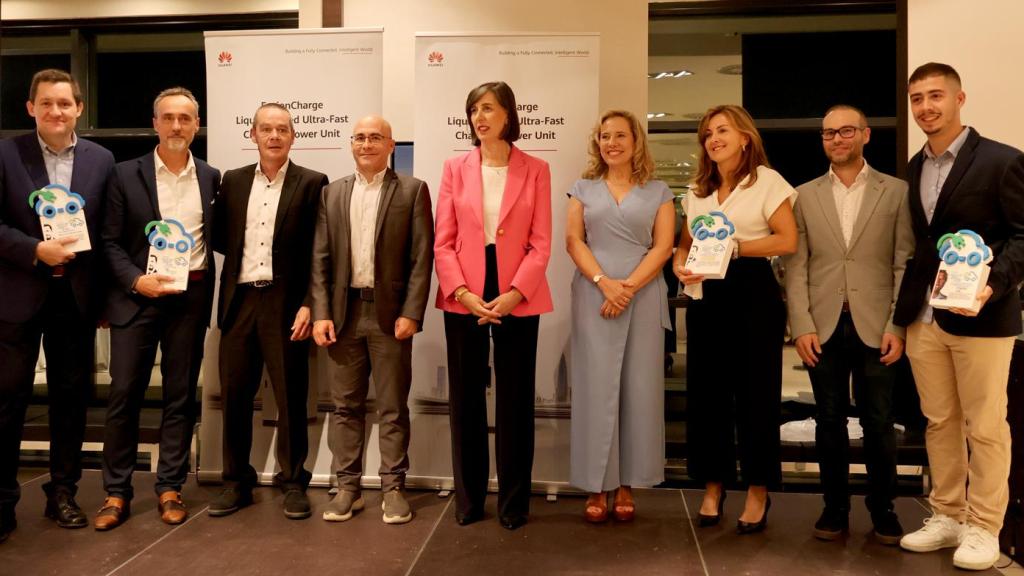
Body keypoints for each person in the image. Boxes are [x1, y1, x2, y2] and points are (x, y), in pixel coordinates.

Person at [894, 62, 1024, 571]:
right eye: (916, 99)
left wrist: (991, 286)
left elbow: (1022, 236)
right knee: (939, 421)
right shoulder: (915, 166)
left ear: (959, 98)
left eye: (935, 96)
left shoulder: (1003, 160)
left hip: (983, 317)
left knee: (986, 425)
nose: (925, 107)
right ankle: (947, 513)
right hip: (925, 316)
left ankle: (984, 525)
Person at [783, 104, 914, 544]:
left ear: (865, 134)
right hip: (821, 325)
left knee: (879, 421)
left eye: (845, 131)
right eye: (828, 133)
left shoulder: (895, 192)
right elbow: (796, 265)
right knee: (828, 421)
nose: (836, 139)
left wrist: (898, 326)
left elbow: (903, 263)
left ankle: (884, 510)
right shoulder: (803, 194)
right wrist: (800, 324)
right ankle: (834, 508)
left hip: (878, 326)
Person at [97, 87, 220, 530]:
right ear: (154, 123)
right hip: (137, 298)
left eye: (185, 119)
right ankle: (116, 492)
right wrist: (135, 279)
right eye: (168, 118)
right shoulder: (124, 174)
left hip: (190, 299)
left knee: (180, 396)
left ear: (196, 126)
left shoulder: (210, 177)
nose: (176, 126)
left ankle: (170, 486)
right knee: (124, 395)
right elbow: (108, 241)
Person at [0, 69, 115, 542]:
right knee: (8, 401)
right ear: (31, 108)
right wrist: (33, 250)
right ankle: (2, 502)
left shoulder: (101, 159)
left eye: (64, 104)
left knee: (71, 400)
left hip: (76, 298)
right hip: (17, 294)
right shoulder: (6, 153)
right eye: (46, 103)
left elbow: (109, 231)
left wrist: (106, 298)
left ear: (79, 109)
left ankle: (62, 493)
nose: (55, 112)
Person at [434, 81, 552, 530]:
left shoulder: (536, 169)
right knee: (464, 399)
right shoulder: (454, 167)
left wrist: (515, 292)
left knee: (515, 401)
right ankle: (468, 500)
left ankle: (514, 503)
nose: (479, 117)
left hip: (517, 291)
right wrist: (462, 292)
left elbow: (540, 243)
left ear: (508, 115)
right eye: (473, 110)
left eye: (488, 108)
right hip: (463, 288)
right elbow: (443, 241)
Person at [673, 104, 797, 534]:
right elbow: (684, 243)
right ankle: (713, 485)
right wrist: (678, 264)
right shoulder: (698, 188)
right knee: (707, 395)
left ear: (745, 137)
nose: (714, 139)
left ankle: (758, 490)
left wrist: (736, 248)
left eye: (722, 131)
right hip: (707, 296)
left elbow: (788, 239)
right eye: (708, 134)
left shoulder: (768, 182)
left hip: (752, 293)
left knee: (755, 395)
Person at [310, 115, 433, 525]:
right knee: (346, 407)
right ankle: (348, 488)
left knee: (393, 406)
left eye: (375, 137)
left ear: (391, 144)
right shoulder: (332, 194)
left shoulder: (413, 191)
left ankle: (393, 488)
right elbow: (320, 260)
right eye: (360, 137)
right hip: (343, 316)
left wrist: (411, 312)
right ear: (351, 144)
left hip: (389, 316)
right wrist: (322, 313)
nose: (366, 144)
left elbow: (421, 258)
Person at [207, 103, 328, 520]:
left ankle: (293, 482)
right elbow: (222, 238)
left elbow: (320, 250)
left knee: (292, 397)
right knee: (235, 396)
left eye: (282, 129)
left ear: (293, 136)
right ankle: (235, 482)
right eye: (266, 129)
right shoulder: (234, 182)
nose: (274, 136)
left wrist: (311, 303)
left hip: (286, 303)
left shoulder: (313, 183)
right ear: (252, 135)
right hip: (240, 300)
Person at [566, 110, 674, 522]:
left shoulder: (659, 190)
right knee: (595, 390)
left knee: (638, 391)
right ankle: (597, 484)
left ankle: (627, 483)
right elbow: (573, 240)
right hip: (594, 295)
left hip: (642, 296)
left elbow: (663, 248)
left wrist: (626, 288)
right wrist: (603, 282)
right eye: (605, 136)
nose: (612, 143)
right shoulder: (582, 189)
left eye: (620, 135)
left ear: (635, 141)